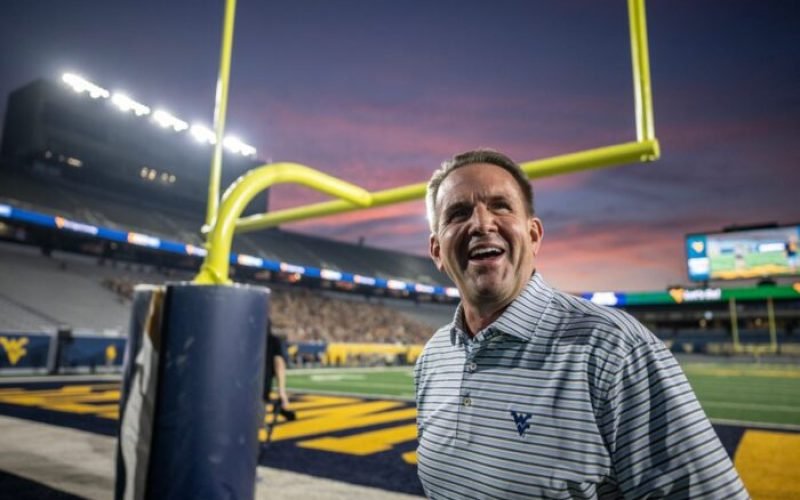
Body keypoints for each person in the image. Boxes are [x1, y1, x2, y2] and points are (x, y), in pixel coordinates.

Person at [414, 149, 747, 498]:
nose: (481, 223)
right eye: (458, 213)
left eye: (500, 205)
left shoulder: (614, 349)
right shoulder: (434, 357)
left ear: (534, 235)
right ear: (437, 251)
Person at [262, 321, 295, 444]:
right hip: (260, 389)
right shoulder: (273, 340)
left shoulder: (245, 337)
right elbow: (279, 363)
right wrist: (282, 391)